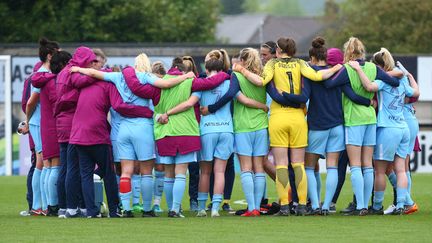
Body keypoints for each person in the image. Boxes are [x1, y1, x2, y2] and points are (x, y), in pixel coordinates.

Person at [70, 53, 193, 217]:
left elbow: (93, 73)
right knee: (146, 172)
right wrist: (186, 76)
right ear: (146, 65)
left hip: (123, 128)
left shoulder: (118, 76)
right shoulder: (146, 77)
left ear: (134, 65)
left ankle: (127, 209)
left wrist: (78, 68)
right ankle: (148, 209)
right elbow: (166, 83)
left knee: (126, 172)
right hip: (143, 127)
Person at [231, 38, 342, 216]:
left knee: (281, 165)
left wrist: (242, 69)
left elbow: (260, 82)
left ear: (279, 50)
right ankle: (302, 206)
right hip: (298, 118)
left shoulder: (273, 64)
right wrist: (336, 68)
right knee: (298, 164)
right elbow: (317, 76)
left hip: (278, 118)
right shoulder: (300, 63)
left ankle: (284, 206)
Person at [269, 38, 372, 215]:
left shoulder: (309, 72)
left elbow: (304, 96)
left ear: (313, 58)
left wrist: (284, 94)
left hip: (317, 125)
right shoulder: (339, 72)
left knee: (308, 167)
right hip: (337, 125)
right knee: (332, 166)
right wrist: (369, 102)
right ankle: (327, 206)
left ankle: (315, 205)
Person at [161, 51, 267, 217]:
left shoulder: (202, 84)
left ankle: (202, 208)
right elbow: (244, 100)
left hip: (207, 131)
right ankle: (216, 208)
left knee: (206, 172)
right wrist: (263, 106)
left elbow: (189, 104)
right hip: (226, 130)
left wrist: (168, 112)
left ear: (207, 69)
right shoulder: (228, 83)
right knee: (220, 171)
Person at [121, 57, 230, 217]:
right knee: (181, 173)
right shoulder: (189, 82)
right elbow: (210, 83)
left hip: (164, 133)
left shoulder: (156, 85)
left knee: (168, 174)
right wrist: (227, 74)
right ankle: (175, 209)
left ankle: (168, 208)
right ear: (183, 72)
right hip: (186, 131)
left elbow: (138, 91)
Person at [324, 37, 399, 216]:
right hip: (371, 119)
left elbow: (329, 84)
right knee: (367, 165)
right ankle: (365, 204)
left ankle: (360, 206)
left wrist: (342, 81)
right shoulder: (373, 68)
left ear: (347, 52)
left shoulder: (347, 69)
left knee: (356, 166)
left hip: (354, 120)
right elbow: (394, 83)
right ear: (363, 51)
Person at [350, 48, 419, 215]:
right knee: (401, 169)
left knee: (379, 170)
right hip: (403, 128)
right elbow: (415, 92)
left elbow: (368, 85)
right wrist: (410, 76)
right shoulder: (402, 81)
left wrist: (358, 69)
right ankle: (402, 204)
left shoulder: (383, 82)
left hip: (388, 129)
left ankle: (377, 205)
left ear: (380, 66)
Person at [31, 50, 71, 217]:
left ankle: (48, 205)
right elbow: (60, 103)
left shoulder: (45, 79)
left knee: (47, 166)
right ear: (62, 65)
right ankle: (53, 205)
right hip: (55, 125)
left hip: (45, 125)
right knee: (55, 165)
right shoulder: (55, 82)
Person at [26, 38, 60, 216]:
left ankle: (42, 204)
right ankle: (40, 205)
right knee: (43, 163)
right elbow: (32, 101)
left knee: (45, 163)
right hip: (39, 122)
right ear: (49, 55)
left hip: (41, 121)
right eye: (57, 52)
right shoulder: (42, 74)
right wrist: (27, 120)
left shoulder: (46, 73)